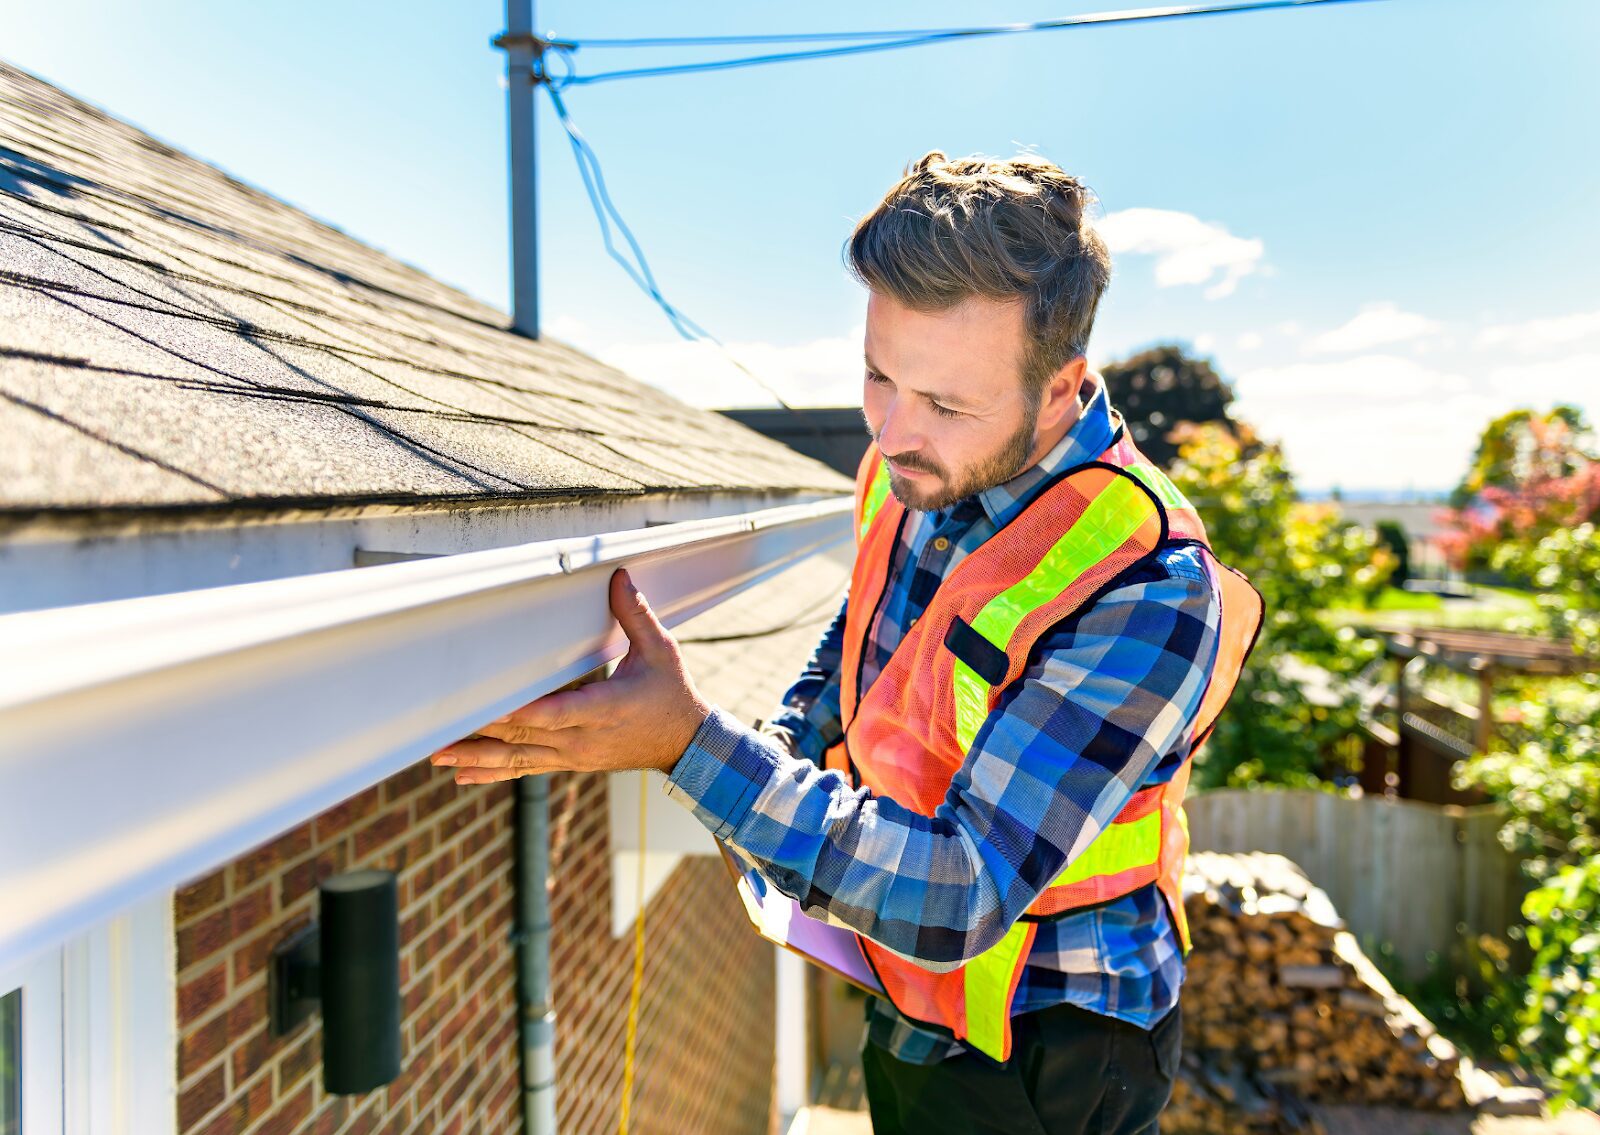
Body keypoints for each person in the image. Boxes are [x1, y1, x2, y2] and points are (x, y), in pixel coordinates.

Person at [430, 150, 1263, 1134]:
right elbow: (865, 628)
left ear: (1060, 387)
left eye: (947, 403)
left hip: (1049, 1047)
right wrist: (784, 739)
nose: (895, 429)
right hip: (906, 993)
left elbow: (960, 894)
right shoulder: (911, 467)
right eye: (878, 376)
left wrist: (689, 745)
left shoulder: (1148, 585)